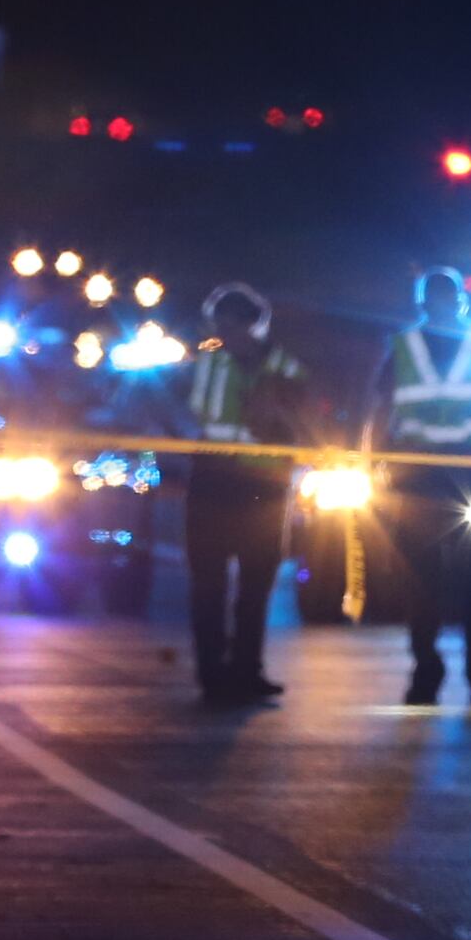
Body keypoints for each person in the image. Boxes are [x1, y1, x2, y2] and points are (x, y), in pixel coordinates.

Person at [364, 266, 471, 706]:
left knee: (459, 584)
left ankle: (457, 675)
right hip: (440, 477)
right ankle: (448, 674)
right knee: (436, 584)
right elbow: (382, 409)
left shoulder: (420, 346)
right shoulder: (419, 346)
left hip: (448, 476)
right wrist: (374, 463)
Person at [174, 283, 307, 705]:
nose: (223, 335)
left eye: (230, 326)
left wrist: (276, 411)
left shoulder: (288, 369)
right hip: (212, 482)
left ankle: (247, 671)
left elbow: (303, 423)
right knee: (208, 585)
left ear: (255, 325)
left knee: (256, 586)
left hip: (263, 488)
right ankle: (212, 676)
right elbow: (159, 400)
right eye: (219, 326)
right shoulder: (204, 364)